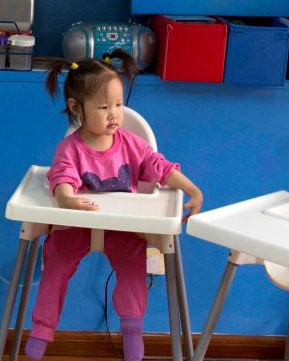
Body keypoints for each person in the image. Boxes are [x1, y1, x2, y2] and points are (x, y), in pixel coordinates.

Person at [24, 49, 204, 361]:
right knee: (56, 263)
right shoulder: (71, 148)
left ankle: (132, 330)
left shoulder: (131, 144)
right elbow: (63, 177)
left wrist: (192, 189)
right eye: (104, 107)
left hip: (122, 226)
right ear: (76, 108)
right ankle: (41, 330)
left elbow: (159, 166)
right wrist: (66, 199)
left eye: (119, 105)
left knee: (133, 270)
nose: (114, 115)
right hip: (78, 222)